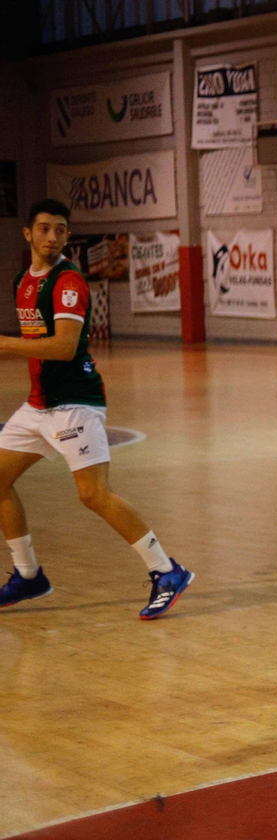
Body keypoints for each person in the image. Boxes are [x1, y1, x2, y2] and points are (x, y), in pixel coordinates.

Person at [0, 198, 194, 617]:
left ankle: (167, 570)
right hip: (38, 407)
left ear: (67, 236)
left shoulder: (69, 281)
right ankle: (28, 575)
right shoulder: (22, 280)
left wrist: (3, 344)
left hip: (75, 404)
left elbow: (65, 346)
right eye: (45, 228)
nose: (52, 237)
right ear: (28, 233)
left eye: (60, 230)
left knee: (93, 495)